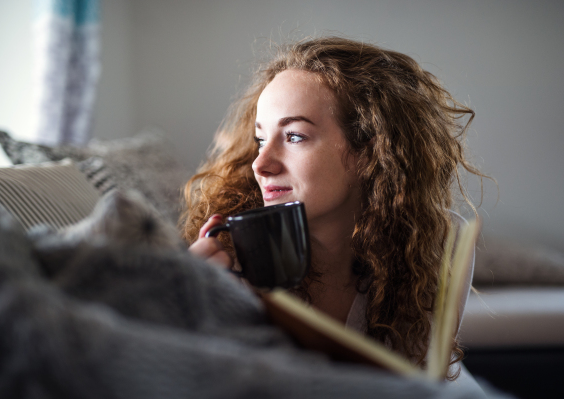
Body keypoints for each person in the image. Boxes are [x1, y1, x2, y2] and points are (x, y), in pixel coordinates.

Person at [181, 36, 486, 380]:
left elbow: (419, 382)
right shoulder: (229, 256)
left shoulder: (437, 241)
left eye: (294, 136)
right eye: (260, 140)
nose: (260, 164)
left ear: (371, 152)